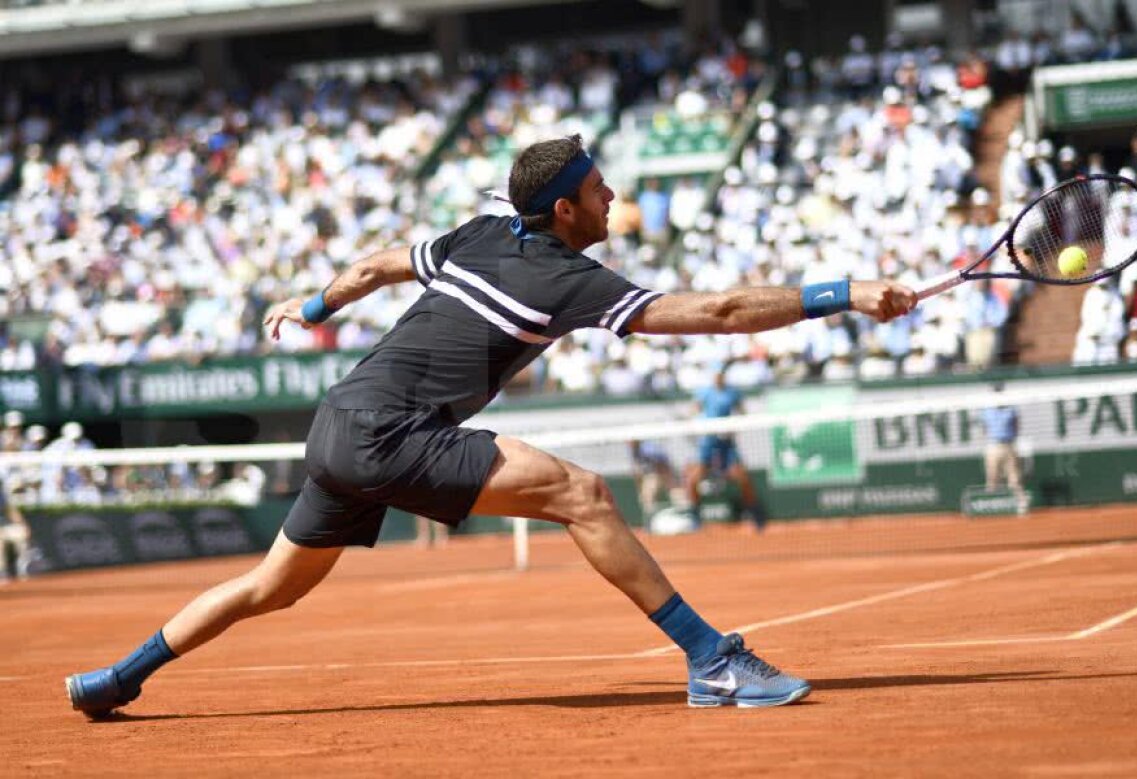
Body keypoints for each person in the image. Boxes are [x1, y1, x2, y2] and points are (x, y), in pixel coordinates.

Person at [66, 135, 915, 716]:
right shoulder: (569, 280)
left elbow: (376, 264)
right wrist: (838, 294)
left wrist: (316, 303)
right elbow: (722, 309)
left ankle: (116, 678)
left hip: (337, 421)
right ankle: (715, 661)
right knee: (583, 494)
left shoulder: (477, 235)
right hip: (389, 432)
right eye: (596, 188)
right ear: (564, 212)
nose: (611, 194)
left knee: (270, 586)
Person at [684, 365, 767, 532]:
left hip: (727, 443)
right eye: (715, 375)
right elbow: (693, 410)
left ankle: (754, 513)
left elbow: (742, 412)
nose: (718, 378)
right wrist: (698, 422)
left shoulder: (732, 392)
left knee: (742, 477)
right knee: (694, 478)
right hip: (707, 441)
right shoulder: (704, 392)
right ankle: (695, 516)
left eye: (720, 375)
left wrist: (734, 426)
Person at [979, 384, 1027, 514]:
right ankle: (988, 507)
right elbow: (984, 429)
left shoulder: (1012, 409)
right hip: (993, 446)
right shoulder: (986, 410)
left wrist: (1013, 441)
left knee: (1014, 478)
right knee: (992, 477)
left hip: (1009, 445)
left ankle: (1022, 505)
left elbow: (1017, 426)